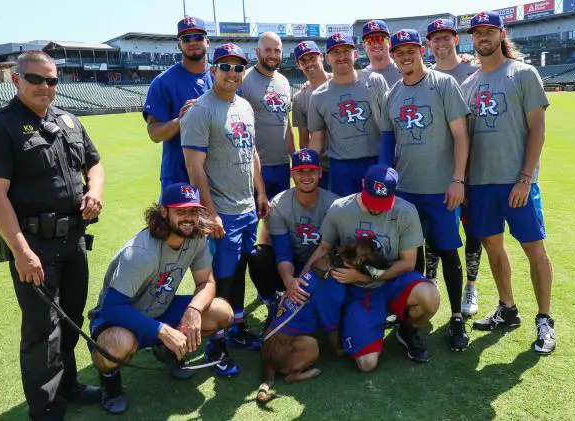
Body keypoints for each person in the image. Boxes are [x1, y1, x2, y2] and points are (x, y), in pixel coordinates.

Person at [0, 51, 105, 420]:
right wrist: (21, 251)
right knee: (41, 331)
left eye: (52, 80)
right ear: (16, 81)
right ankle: (46, 409)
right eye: (36, 79)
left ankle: (69, 386)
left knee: (71, 319)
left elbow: (94, 163)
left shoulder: (68, 121)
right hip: (34, 245)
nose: (46, 87)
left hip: (74, 240)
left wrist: (95, 191)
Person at [87, 183, 234, 414]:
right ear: (164, 212)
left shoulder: (196, 238)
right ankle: (110, 380)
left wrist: (193, 310)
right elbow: (112, 307)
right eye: (181, 211)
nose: (189, 218)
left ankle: (166, 351)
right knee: (115, 346)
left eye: (193, 211)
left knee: (222, 312)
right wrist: (163, 331)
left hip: (160, 308)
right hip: (120, 319)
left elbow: (206, 282)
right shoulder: (141, 252)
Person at [461, 11, 556, 354]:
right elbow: (466, 140)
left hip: (517, 182)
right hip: (482, 185)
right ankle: (507, 308)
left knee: (534, 249)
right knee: (492, 247)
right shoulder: (467, 85)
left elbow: (538, 129)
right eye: (477, 33)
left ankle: (545, 319)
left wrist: (525, 178)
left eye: (488, 31)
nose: (482, 37)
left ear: (501, 33)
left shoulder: (523, 74)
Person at [181, 43, 271, 373]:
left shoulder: (244, 106)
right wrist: (210, 211)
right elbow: (194, 168)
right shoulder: (201, 111)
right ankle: (215, 345)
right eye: (225, 66)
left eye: (238, 67)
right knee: (222, 278)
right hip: (222, 211)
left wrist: (260, 192)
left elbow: (252, 154)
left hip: (247, 206)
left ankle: (236, 328)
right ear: (213, 70)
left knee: (242, 270)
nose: (232, 73)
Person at [380, 29, 471, 351]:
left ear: (421, 50)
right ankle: (409, 316)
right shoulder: (392, 94)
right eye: (398, 52)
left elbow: (461, 135)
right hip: (405, 191)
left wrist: (458, 179)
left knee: (448, 251)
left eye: (410, 50)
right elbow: (387, 144)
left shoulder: (443, 84)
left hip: (440, 189)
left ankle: (457, 316)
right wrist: (384, 185)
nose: (405, 56)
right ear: (393, 56)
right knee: (411, 256)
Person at [305, 165, 440, 370]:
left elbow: (407, 263)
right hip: (359, 291)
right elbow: (323, 248)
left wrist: (364, 277)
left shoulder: (406, 211)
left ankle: (407, 330)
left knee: (430, 296)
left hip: (390, 279)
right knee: (366, 364)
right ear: (362, 186)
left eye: (383, 203)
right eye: (372, 202)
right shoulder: (340, 208)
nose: (377, 208)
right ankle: (350, 320)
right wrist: (299, 280)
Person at [424, 19, 482, 316]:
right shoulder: (428, 76)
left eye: (446, 37)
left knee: (473, 229)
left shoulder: (474, 69)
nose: (441, 43)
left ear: (456, 39)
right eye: (435, 39)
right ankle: (430, 281)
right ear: (428, 45)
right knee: (436, 232)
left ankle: (471, 286)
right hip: (439, 167)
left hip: (475, 166)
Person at [308, 32, 388, 197]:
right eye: (336, 52)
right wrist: (312, 169)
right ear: (327, 58)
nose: (341, 56)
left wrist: (390, 159)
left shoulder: (375, 81)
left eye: (346, 51)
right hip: (341, 166)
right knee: (346, 218)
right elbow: (316, 140)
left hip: (375, 160)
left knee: (379, 214)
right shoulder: (318, 96)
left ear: (356, 54)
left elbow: (390, 125)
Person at [143, 17, 213, 191]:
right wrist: (180, 120)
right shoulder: (163, 82)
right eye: (186, 38)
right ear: (179, 45)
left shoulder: (222, 76)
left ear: (207, 42)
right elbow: (154, 133)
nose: (193, 42)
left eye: (198, 37)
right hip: (178, 175)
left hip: (217, 174)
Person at [266, 148, 340, 304]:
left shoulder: (335, 204)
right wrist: (289, 281)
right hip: (291, 262)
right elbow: (283, 252)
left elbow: (328, 249)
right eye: (300, 172)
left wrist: (301, 280)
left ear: (320, 173)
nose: (306, 176)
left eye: (311, 171)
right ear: (292, 174)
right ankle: (272, 302)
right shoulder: (279, 204)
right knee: (259, 257)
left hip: (322, 263)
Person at [239, 31, 295, 201]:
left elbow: (287, 122)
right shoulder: (244, 80)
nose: (273, 55)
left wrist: (294, 157)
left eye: (277, 51)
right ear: (257, 52)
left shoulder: (284, 82)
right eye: (268, 50)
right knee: (252, 216)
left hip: (282, 165)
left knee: (278, 221)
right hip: (254, 166)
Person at [291, 41, 331, 189]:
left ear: (321, 56)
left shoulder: (339, 81)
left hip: (348, 159)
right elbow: (303, 141)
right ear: (298, 65)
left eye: (312, 58)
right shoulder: (300, 98)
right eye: (303, 61)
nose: (309, 64)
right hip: (323, 166)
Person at [359, 20, 402, 87]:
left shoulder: (404, 71)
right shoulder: (361, 78)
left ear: (389, 42)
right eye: (371, 41)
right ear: (364, 46)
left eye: (380, 39)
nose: (376, 44)